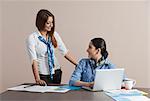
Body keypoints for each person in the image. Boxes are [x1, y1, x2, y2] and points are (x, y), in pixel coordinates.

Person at [26, 9, 77, 85]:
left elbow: (65, 52)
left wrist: (77, 65)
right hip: (43, 74)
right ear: (41, 23)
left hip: (57, 72)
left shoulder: (54, 35)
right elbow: (34, 60)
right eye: (48, 23)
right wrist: (37, 79)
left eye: (52, 22)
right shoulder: (32, 38)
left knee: (56, 96)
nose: (51, 25)